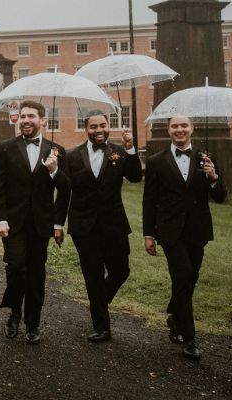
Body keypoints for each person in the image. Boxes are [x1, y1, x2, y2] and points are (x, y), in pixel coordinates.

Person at [142, 115, 226, 360]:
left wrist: (213, 178)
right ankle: (189, 339)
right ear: (168, 130)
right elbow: (149, 201)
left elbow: (221, 197)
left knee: (191, 277)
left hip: (197, 231)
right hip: (169, 231)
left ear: (192, 129)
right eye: (175, 126)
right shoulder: (157, 161)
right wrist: (149, 234)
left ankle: (175, 316)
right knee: (183, 275)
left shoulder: (206, 158)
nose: (180, 129)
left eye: (184, 126)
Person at [0, 100, 70, 345]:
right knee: (16, 267)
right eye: (22, 116)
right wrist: (0, 219)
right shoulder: (6, 148)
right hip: (12, 223)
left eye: (31, 116)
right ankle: (15, 311)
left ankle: (32, 323)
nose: (25, 120)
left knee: (37, 273)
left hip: (40, 224)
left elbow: (66, 190)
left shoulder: (56, 151)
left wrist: (55, 171)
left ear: (43, 121)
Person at [64, 112, 142, 342]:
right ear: (86, 129)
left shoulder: (119, 152)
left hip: (114, 224)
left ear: (109, 127)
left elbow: (136, 177)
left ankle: (100, 300)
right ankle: (102, 326)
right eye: (94, 126)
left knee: (121, 270)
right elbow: (63, 186)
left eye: (103, 125)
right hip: (84, 226)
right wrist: (52, 170)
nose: (99, 130)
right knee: (93, 275)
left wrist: (130, 149)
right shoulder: (72, 155)